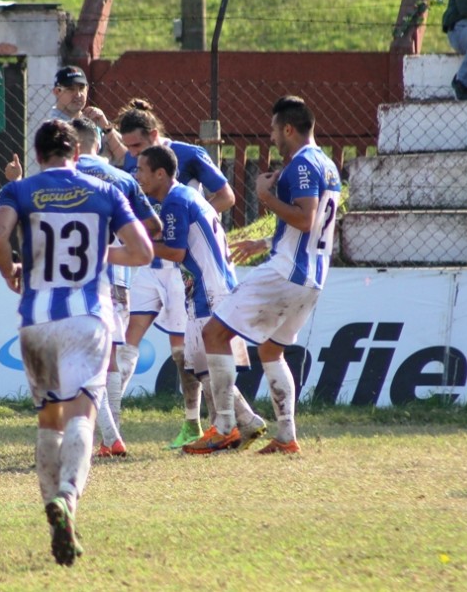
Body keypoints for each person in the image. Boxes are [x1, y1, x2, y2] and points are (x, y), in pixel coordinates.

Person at [0, 119, 153, 566]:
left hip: (37, 320)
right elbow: (142, 252)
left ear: (38, 155)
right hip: (88, 319)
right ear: (76, 154)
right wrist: (101, 252)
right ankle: (68, 500)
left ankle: (51, 511)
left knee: (49, 420)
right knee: (84, 411)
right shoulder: (106, 191)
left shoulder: (19, 190)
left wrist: (10, 271)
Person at [202, 96, 342, 455]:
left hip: (285, 273)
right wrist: (264, 240)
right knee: (270, 349)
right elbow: (314, 228)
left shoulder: (301, 165)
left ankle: (225, 427)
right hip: (312, 278)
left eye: (274, 129)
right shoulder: (327, 165)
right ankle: (286, 436)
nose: (271, 136)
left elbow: (305, 219)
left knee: (213, 333)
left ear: (289, 129)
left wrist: (264, 196)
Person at [116, 98, 236, 448]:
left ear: (154, 135)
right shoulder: (134, 163)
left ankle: (204, 422)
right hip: (150, 262)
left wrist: (185, 225)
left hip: (181, 266)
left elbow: (226, 196)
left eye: (137, 146)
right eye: (127, 149)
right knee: (127, 338)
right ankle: (112, 425)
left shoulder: (189, 155)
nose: (131, 156)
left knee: (188, 351)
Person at [134, 145, 267, 455]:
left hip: (209, 290)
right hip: (213, 286)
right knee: (201, 364)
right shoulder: (185, 197)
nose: (136, 175)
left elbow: (176, 252)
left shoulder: (175, 202)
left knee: (204, 363)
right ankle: (245, 421)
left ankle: (225, 429)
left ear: (160, 173)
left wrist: (139, 247)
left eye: (141, 169)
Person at [69, 117, 161, 458]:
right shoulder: (124, 178)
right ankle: (111, 435)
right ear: (100, 143)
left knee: (82, 361)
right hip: (119, 279)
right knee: (109, 359)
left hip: (77, 278)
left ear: (73, 147)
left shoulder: (64, 177)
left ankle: (108, 436)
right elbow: (153, 225)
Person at [3, 66, 127, 179]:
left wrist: (106, 126)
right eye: (71, 89)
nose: (78, 94)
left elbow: (125, 158)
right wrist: (105, 159)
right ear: (57, 92)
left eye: (81, 88)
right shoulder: (52, 127)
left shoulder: (94, 120)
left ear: (87, 89)